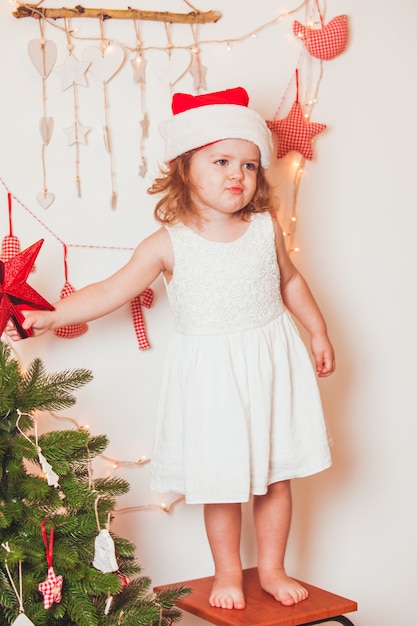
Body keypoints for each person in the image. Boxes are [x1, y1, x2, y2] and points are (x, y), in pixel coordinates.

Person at [6, 86, 335, 611]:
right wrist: (54, 314)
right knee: (222, 482)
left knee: (276, 478)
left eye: (250, 165)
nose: (238, 175)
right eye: (222, 161)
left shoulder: (263, 230)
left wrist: (317, 331)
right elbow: (111, 290)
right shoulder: (168, 243)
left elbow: (290, 282)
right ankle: (228, 572)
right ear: (184, 169)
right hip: (213, 380)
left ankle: (271, 567)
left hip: (271, 367)